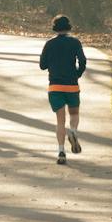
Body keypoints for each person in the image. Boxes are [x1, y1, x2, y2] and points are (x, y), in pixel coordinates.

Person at [39, 14, 86, 164]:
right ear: (68, 27)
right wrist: (77, 74)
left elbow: (42, 65)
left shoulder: (49, 44)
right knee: (74, 114)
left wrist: (53, 64)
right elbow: (83, 61)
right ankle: (73, 131)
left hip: (55, 86)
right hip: (72, 85)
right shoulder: (75, 42)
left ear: (55, 27)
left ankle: (61, 152)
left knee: (60, 121)